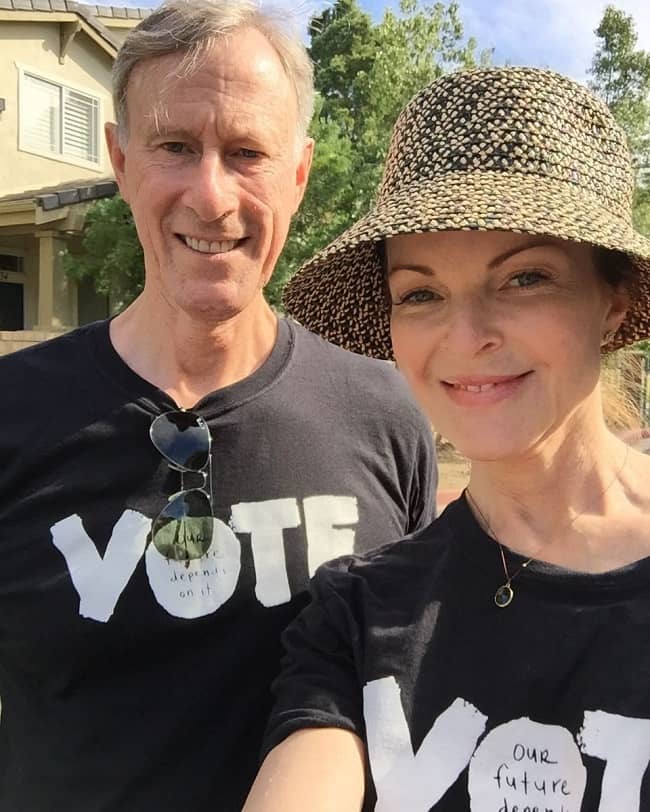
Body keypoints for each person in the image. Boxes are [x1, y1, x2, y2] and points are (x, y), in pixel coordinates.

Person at [0, 1, 436, 809]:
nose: (211, 195)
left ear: (298, 177)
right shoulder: (14, 412)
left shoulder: (385, 414)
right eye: (174, 146)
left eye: (246, 153)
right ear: (120, 160)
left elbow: (410, 686)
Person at [244, 66, 650, 812]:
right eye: (422, 293)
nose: (466, 339)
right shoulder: (360, 612)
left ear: (613, 304)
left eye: (524, 278)